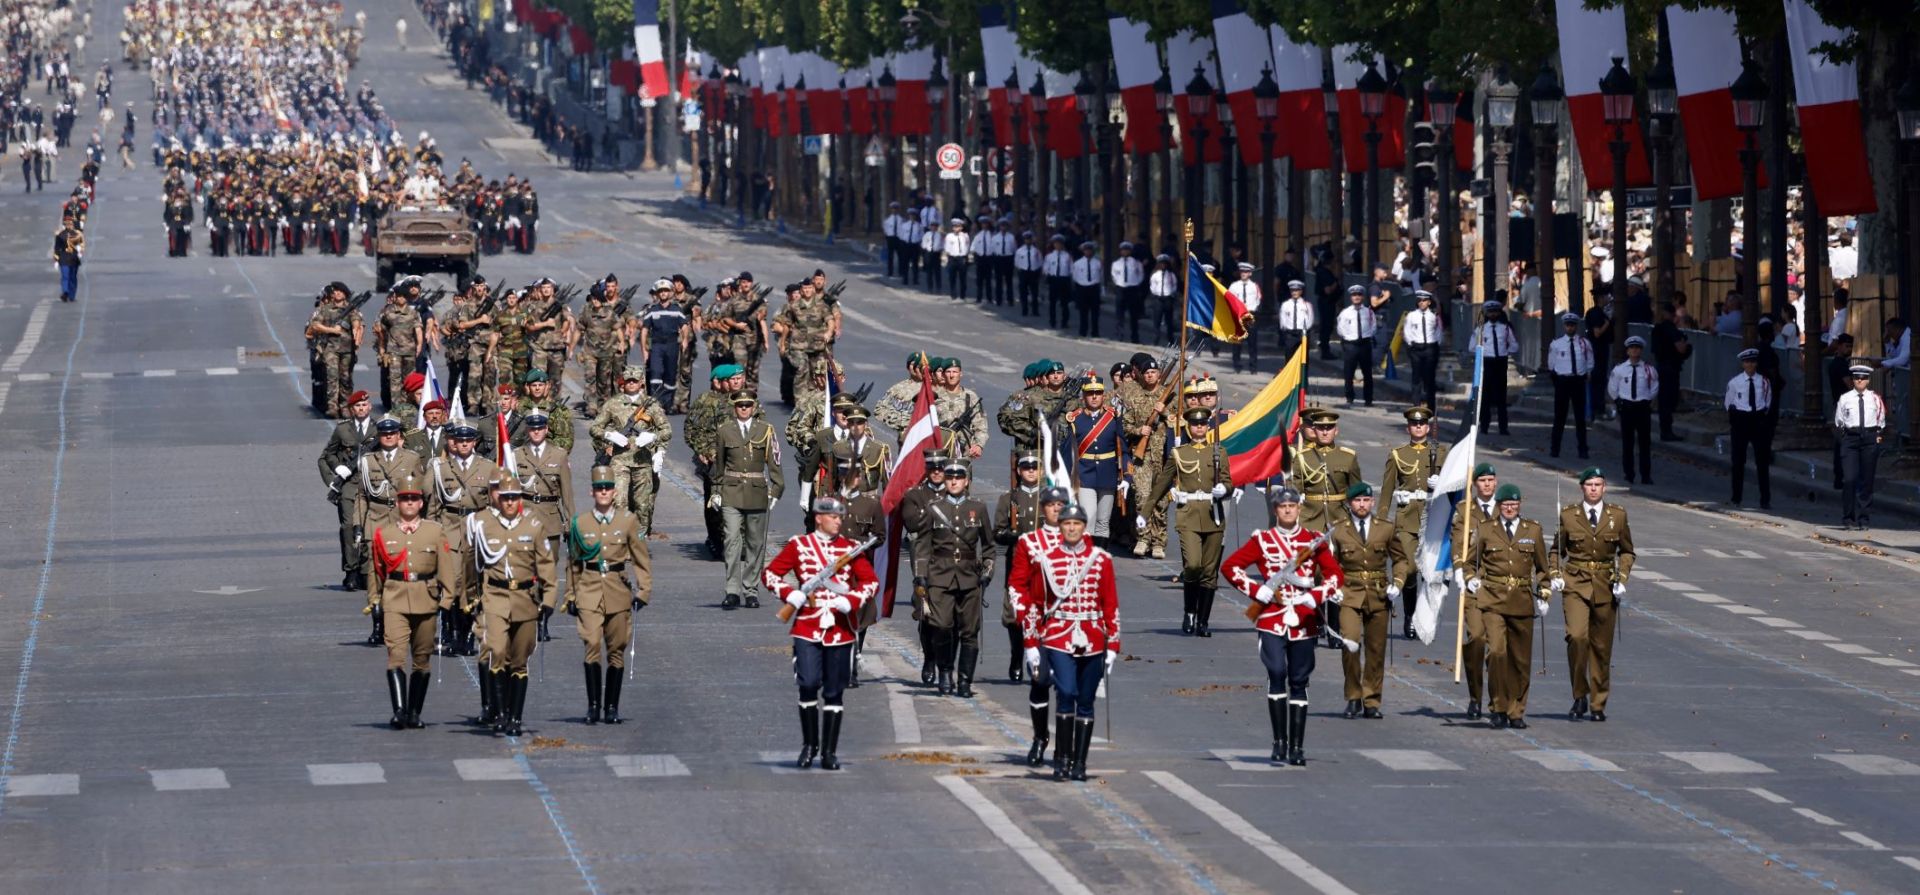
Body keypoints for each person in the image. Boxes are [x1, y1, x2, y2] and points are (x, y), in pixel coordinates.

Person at [1221, 487, 1341, 765]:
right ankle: (1279, 742)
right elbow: (1230, 567)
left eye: (1292, 506)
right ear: (1275, 510)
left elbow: (1335, 575)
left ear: (1299, 508)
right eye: (1282, 506)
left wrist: (1316, 596)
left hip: (1303, 620)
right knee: (1276, 672)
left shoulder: (1313, 540)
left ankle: (1297, 748)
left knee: (1299, 681)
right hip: (1272, 618)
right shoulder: (1263, 540)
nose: (1287, 510)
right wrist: (1256, 590)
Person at [764, 497, 880, 770]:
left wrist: (851, 601)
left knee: (834, 691)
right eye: (834, 517)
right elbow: (770, 574)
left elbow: (870, 582)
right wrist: (790, 593)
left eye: (841, 517)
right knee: (807, 684)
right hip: (807, 625)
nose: (839, 521)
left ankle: (829, 752)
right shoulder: (799, 546)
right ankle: (809, 745)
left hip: (840, 629)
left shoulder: (850, 549)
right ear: (819, 518)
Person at [1016, 504, 1118, 782]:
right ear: (1059, 527)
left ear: (1084, 527)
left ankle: (1079, 763)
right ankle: (1060, 759)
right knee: (1067, 693)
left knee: (1085, 701)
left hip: (1093, 637)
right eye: (1066, 524)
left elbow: (1111, 605)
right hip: (1058, 637)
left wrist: (1113, 647)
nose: (1071, 528)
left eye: (1077, 523)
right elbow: (1035, 605)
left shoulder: (1101, 560)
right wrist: (1031, 644)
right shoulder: (1046, 560)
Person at [472, 476, 558, 736]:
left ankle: (514, 718)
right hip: (495, 597)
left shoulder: (533, 527)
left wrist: (549, 600)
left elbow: (546, 566)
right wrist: (471, 598)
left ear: (521, 499)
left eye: (514, 497)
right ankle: (498, 713)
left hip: (525, 600)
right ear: (498, 499)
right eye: (505, 497)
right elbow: (473, 564)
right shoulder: (485, 527)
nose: (510, 502)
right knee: (496, 650)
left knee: (519, 661)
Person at [365, 476, 453, 729]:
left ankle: (415, 712)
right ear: (397, 502)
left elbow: (445, 568)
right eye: (405, 499)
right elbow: (376, 570)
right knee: (395, 655)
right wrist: (374, 598)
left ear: (422, 503)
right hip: (395, 598)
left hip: (426, 599)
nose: (410, 503)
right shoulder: (385, 533)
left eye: (414, 499)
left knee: (422, 659)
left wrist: (447, 599)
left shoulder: (435, 531)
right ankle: (399, 711)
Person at [1460, 483, 1549, 729]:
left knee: (1520, 660)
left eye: (1514, 504)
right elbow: (1469, 563)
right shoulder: (1487, 529)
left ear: (1520, 505)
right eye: (1505, 504)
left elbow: (1543, 568)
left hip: (1521, 600)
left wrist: (1544, 592)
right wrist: (1471, 580)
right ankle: (1498, 706)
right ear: (1498, 506)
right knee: (1497, 652)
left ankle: (1516, 710)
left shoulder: (1533, 530)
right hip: (1493, 599)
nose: (1510, 508)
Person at [1550, 468, 1635, 723]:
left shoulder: (1617, 516)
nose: (1594, 489)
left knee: (1601, 647)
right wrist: (1555, 574)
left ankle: (1598, 703)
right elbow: (1556, 550)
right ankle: (1580, 694)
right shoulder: (1568, 516)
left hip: (1605, 585)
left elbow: (1628, 551)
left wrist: (1622, 578)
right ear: (1582, 488)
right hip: (1575, 583)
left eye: (1598, 484)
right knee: (1577, 637)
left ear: (1605, 487)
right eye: (1589, 485)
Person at [566, 466, 649, 724]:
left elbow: (640, 557)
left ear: (614, 492)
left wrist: (644, 589)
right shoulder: (580, 523)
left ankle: (611, 707)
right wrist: (570, 594)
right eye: (599, 488)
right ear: (592, 492)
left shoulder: (627, 521)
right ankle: (593, 706)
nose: (603, 492)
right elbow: (574, 563)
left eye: (608, 488)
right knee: (591, 644)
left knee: (616, 649)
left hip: (617, 591)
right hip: (589, 590)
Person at [1148, 409, 1233, 636]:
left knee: (1209, 572)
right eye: (1195, 424)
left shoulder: (1219, 452)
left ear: (1208, 427)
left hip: (1213, 514)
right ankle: (1189, 612)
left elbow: (1228, 481)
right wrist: (1144, 512)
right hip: (1188, 516)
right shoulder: (1178, 453)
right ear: (1189, 427)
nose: (1199, 428)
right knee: (1193, 565)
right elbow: (1161, 484)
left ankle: (1203, 621)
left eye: (1203, 424)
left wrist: (1224, 489)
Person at [912, 460, 994, 697]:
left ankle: (965, 681)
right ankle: (945, 671)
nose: (954, 481)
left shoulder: (977, 508)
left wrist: (987, 572)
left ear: (966, 481)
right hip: (940, 575)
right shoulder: (933, 507)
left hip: (969, 577)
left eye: (959, 477)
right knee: (941, 626)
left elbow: (988, 546)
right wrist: (920, 576)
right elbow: (923, 545)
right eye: (949, 477)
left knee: (969, 631)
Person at [1328, 482, 1404, 720]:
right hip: (1349, 593)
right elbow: (1327, 564)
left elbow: (1401, 560)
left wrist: (1398, 583)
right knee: (1350, 643)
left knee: (1376, 649)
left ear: (1372, 502)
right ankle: (1353, 696)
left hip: (1379, 593)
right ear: (1350, 504)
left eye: (1366, 501)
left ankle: (1372, 699)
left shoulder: (1386, 529)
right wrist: (1332, 587)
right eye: (1357, 501)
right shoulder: (1338, 530)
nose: (1362, 505)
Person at [711, 393, 785, 609]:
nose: (744, 408)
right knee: (732, 541)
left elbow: (775, 461)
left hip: (757, 492)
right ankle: (732, 590)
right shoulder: (725, 430)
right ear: (735, 407)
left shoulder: (765, 430)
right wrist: (716, 490)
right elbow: (719, 463)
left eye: (747, 405)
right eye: (740, 405)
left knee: (755, 543)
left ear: (754, 407)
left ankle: (751, 590)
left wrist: (777, 489)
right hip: (731, 492)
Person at [1381, 406, 1446, 638]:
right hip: (1407, 518)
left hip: (1433, 517)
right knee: (1408, 569)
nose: (1418, 427)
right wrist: (1380, 523)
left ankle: (1422, 617)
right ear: (1408, 427)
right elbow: (1387, 492)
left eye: (1422, 423)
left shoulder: (1442, 454)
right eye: (1414, 424)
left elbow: (1458, 487)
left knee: (1429, 574)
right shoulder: (1398, 454)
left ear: (1428, 427)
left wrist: (1441, 483)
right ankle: (1409, 614)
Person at [588, 367, 672, 532]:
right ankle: (620, 538)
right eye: (628, 381)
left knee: (642, 504)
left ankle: (639, 538)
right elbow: (595, 428)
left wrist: (653, 438)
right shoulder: (613, 404)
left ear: (641, 383)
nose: (631, 384)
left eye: (635, 381)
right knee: (619, 500)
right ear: (623, 383)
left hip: (643, 461)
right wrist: (610, 435)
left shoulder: (651, 405)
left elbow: (666, 430)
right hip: (619, 460)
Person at [993, 457, 1053, 682]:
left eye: (1034, 468)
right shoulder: (1009, 499)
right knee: (1014, 615)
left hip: (1045, 565)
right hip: (1018, 563)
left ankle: (1041, 658)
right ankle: (1016, 657)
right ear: (1018, 471)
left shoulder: (1049, 499)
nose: (1030, 471)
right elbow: (997, 532)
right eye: (1026, 468)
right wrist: (1012, 535)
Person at [1454, 463, 1500, 719]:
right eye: (1482, 480)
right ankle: (1475, 695)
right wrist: (1460, 571)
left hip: (1498, 587)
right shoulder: (1465, 510)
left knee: (1497, 648)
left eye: (1491, 480)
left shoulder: (1504, 508)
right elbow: (1458, 543)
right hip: (1473, 584)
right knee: (1476, 640)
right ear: (1474, 484)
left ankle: (1496, 699)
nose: (1487, 485)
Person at [320, 393, 377, 591]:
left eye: (364, 404)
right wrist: (335, 475)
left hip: (372, 485)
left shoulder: (379, 429)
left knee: (370, 528)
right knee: (348, 527)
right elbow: (327, 456)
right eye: (357, 406)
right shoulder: (343, 429)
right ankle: (351, 571)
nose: (361, 408)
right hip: (350, 485)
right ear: (352, 409)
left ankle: (365, 571)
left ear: (370, 406)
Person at [1069, 377, 1128, 548]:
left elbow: (1122, 448)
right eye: (1090, 393)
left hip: (1107, 474)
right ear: (1084, 396)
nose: (1094, 397)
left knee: (1103, 522)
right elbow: (1068, 452)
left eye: (1098, 393)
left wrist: (1127, 475)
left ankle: (1100, 560)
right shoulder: (1075, 419)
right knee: (1089, 518)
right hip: (1085, 474)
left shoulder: (1112, 417)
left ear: (1103, 395)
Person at [1834, 364, 1887, 531]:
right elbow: (1839, 421)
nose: (1860, 380)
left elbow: (1881, 421)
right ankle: (1848, 516)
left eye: (1863, 378)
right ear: (1853, 379)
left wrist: (1876, 437)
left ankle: (1864, 517)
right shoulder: (1845, 398)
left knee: (1867, 479)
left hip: (1869, 438)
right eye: (1857, 377)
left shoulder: (1875, 398)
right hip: (1851, 438)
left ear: (1868, 380)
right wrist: (1845, 438)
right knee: (1849, 478)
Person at [1291, 408, 1361, 533]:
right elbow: (1293, 491)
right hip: (1310, 518)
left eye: (1329, 428)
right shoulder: (1302, 457)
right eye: (1320, 428)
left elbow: (1357, 491)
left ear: (1336, 431)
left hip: (1340, 517)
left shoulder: (1348, 457)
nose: (1324, 432)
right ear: (1315, 430)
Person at [1725, 349, 1774, 508]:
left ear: (1756, 363)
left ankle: (1765, 499)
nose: (1750, 365)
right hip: (1741, 420)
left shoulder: (1764, 382)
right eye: (1747, 362)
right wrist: (1736, 418)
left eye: (1753, 362)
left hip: (1758, 420)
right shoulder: (1735, 382)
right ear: (1742, 364)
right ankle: (1736, 497)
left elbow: (1767, 402)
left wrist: (1761, 418)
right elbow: (1729, 403)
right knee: (1738, 461)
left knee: (1762, 462)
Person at [1606, 337, 1658, 484]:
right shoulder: (1620, 369)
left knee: (1644, 443)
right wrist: (1618, 401)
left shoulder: (1648, 369)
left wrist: (1647, 399)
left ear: (1641, 350)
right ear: (1627, 351)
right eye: (1632, 348)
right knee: (1627, 442)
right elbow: (1612, 387)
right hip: (1627, 407)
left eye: (1637, 348)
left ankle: (1645, 475)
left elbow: (1654, 387)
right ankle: (1629, 473)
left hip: (1642, 407)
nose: (1635, 350)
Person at [1546, 312, 1595, 459]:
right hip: (1563, 381)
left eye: (1573, 325)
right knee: (1559, 417)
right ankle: (1555, 449)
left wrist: (1586, 373)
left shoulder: (1584, 343)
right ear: (1564, 326)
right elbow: (1551, 364)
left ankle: (1583, 449)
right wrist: (1558, 379)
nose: (1570, 328)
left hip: (1578, 381)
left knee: (1580, 418)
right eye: (1568, 325)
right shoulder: (1556, 344)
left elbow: (1590, 361)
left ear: (1576, 326)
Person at [1474, 301, 1518, 434]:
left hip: (1500, 362)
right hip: (1487, 362)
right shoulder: (1481, 329)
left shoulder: (1505, 328)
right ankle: (1484, 425)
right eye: (1490, 312)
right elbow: (1472, 346)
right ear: (1486, 313)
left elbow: (1514, 345)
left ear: (1499, 313)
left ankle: (1503, 427)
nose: (1493, 314)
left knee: (1501, 396)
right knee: (1485, 395)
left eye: (1495, 311)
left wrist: (1505, 351)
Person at [1650, 302, 1691, 441]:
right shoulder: (1670, 329)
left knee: (1664, 401)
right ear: (1673, 315)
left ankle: (1665, 430)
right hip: (1670, 368)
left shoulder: (1657, 329)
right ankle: (1667, 432)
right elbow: (1681, 349)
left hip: (1661, 366)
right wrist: (1686, 346)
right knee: (1669, 400)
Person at [1334, 285, 1378, 405]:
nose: (1357, 297)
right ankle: (1349, 397)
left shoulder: (1368, 312)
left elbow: (1373, 326)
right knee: (1349, 373)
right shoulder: (1345, 312)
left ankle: (1368, 398)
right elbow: (1340, 328)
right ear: (1351, 297)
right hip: (1351, 344)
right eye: (1354, 295)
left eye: (1359, 295)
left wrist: (1367, 335)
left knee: (1367, 373)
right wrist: (1348, 338)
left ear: (1362, 297)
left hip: (1364, 344)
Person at [1400, 290, 1442, 407]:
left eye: (1424, 301)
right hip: (1416, 349)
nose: (1421, 303)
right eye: (1419, 300)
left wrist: (1436, 343)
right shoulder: (1412, 315)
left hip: (1430, 348)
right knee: (1416, 377)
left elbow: (1438, 331)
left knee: (1430, 378)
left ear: (1429, 302)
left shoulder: (1433, 316)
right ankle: (1416, 405)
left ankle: (1431, 406)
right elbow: (1407, 331)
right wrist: (1410, 343)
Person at [1114, 242, 1149, 344]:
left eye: (1127, 250)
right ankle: (1120, 334)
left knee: (1134, 315)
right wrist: (1119, 283)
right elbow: (1114, 275)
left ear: (1130, 251)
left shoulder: (1136, 263)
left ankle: (1134, 336)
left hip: (1132, 289)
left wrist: (1135, 283)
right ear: (1120, 251)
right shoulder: (1116, 263)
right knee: (1120, 314)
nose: (1125, 251)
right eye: (1123, 250)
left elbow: (1141, 274)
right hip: (1121, 288)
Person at [1043, 235, 1073, 330]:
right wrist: (1048, 275)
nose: (1058, 245)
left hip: (1064, 280)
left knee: (1064, 303)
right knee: (1052, 302)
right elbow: (1045, 268)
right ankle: (1052, 321)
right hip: (1054, 279)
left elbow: (1071, 269)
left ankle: (1064, 322)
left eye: (1060, 243)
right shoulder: (1049, 256)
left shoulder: (1067, 256)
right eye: (1056, 243)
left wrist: (1070, 278)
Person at [51, 218, 83, 302]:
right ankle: (71, 295)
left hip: (64, 258)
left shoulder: (60, 235)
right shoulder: (76, 234)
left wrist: (56, 259)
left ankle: (66, 291)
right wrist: (79, 254)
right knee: (72, 278)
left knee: (65, 277)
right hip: (73, 258)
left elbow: (57, 248)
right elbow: (79, 247)